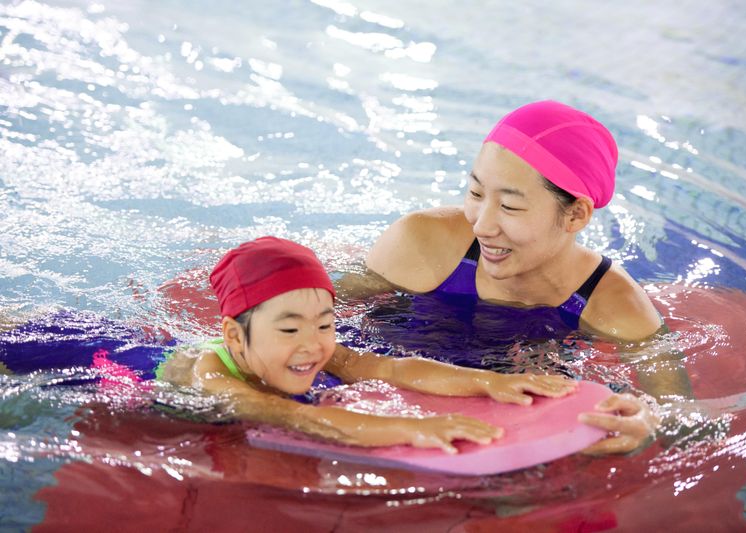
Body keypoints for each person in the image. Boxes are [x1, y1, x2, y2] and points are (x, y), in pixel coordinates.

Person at [360, 100, 689, 454]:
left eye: (510, 206)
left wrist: (649, 422)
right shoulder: (420, 243)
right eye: (476, 193)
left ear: (576, 215)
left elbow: (681, 416)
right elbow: (322, 320)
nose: (481, 225)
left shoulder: (617, 308)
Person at [157, 236, 576, 454]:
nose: (312, 345)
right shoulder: (210, 374)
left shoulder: (314, 349)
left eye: (324, 324)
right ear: (235, 336)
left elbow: (390, 368)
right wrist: (413, 430)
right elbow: (294, 416)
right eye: (289, 330)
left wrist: (488, 382)